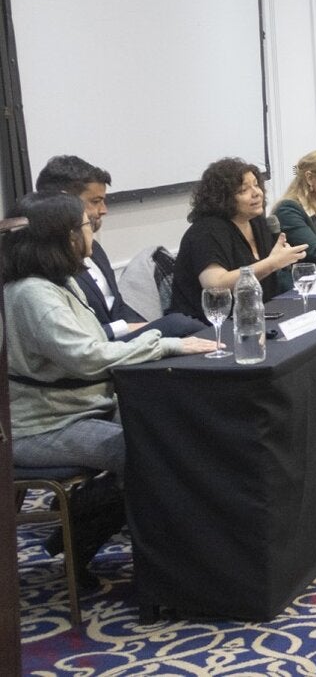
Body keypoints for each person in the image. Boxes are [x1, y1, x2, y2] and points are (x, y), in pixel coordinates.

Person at [4, 193, 220, 585]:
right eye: (86, 225)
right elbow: (87, 357)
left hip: (80, 406)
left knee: (169, 432)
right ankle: (78, 547)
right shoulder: (34, 294)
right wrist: (166, 343)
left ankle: (77, 530)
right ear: (68, 237)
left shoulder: (58, 281)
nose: (93, 232)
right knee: (146, 452)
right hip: (43, 424)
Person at [34, 155, 205, 338]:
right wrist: (128, 329)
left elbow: (117, 306)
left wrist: (148, 328)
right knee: (180, 324)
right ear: (63, 202)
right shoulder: (47, 261)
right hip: (99, 350)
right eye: (95, 201)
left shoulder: (96, 250)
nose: (104, 210)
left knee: (183, 326)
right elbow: (73, 336)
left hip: (124, 338)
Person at [171, 158, 307, 320]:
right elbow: (216, 285)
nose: (257, 193)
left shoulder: (257, 222)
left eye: (256, 185)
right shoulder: (205, 232)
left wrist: (278, 262)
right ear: (222, 197)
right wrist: (272, 263)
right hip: (208, 326)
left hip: (258, 315)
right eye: (243, 190)